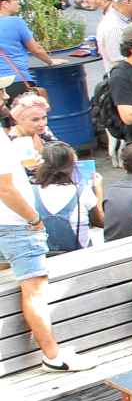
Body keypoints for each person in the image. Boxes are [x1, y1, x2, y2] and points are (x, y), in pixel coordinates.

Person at [0, 101, 68, 368]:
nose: (5, 98)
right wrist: (34, 218)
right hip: (15, 224)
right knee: (35, 291)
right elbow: (5, 189)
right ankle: (53, 357)